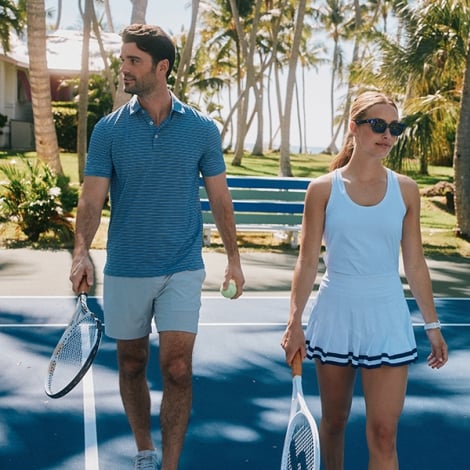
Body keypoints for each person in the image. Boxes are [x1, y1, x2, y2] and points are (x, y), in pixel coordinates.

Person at [70, 24, 245, 470]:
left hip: (181, 266)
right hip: (126, 266)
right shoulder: (108, 131)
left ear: (161, 67)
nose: (123, 68)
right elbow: (91, 199)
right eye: (123, 59)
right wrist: (80, 252)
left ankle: (169, 464)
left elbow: (220, 198)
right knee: (130, 364)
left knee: (178, 368)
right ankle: (144, 450)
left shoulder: (202, 129)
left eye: (133, 60)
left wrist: (233, 259)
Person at [281, 91, 448, 470]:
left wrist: (432, 325)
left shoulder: (406, 190)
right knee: (335, 423)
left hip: (387, 317)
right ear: (354, 128)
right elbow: (307, 262)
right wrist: (294, 322)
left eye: (395, 127)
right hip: (335, 315)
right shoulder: (322, 189)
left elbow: (415, 262)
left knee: (384, 433)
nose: (387, 134)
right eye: (378, 125)